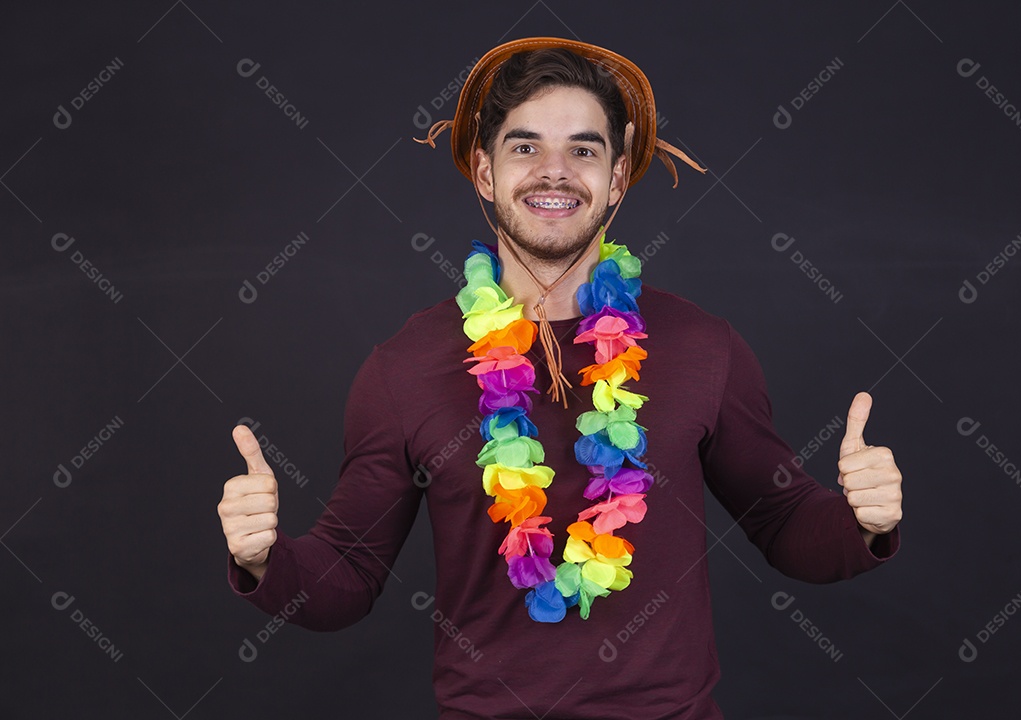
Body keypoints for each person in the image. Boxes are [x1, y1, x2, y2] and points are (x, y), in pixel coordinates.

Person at [217, 36, 902, 719]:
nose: (554, 172)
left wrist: (861, 522)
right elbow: (348, 575)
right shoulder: (404, 369)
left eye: (583, 149)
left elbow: (783, 524)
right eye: (525, 147)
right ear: (484, 172)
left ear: (617, 175)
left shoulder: (703, 347)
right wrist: (265, 560)